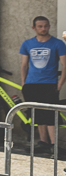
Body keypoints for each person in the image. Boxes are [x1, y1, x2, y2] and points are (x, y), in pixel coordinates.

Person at [20, 16, 66, 155]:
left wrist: (59, 84)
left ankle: (54, 145)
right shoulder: (27, 44)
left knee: (50, 114)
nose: (43, 29)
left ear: (49, 26)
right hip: (32, 84)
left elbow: (65, 65)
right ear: (34, 28)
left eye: (46, 26)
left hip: (49, 84)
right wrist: (24, 83)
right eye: (40, 26)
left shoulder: (58, 43)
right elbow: (24, 65)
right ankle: (43, 142)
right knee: (38, 114)